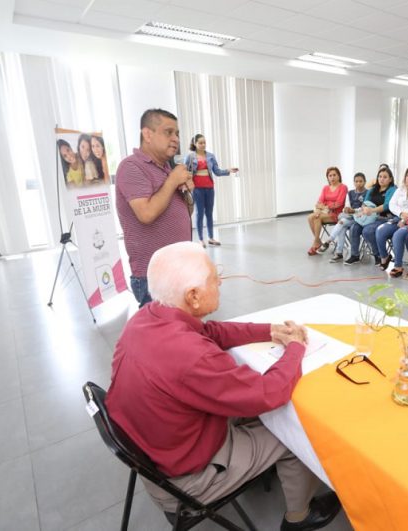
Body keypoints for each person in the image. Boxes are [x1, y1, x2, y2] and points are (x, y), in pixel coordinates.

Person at [106, 242, 341, 530]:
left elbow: (210, 331)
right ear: (193, 296)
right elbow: (269, 392)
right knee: (297, 434)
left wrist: (270, 330)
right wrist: (295, 348)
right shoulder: (193, 356)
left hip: (157, 451)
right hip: (187, 480)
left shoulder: (146, 317)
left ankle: (261, 467)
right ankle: (299, 517)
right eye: (214, 277)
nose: (220, 281)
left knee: (261, 412)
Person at [116, 108, 195, 307]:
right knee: (162, 327)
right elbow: (147, 213)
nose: (176, 139)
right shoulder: (131, 167)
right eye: (168, 132)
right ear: (147, 134)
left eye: (177, 133)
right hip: (154, 276)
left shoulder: (167, 169)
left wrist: (186, 191)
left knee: (182, 325)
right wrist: (172, 181)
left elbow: (186, 212)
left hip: (179, 268)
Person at [183, 134, 239, 247]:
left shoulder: (211, 156)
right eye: (200, 143)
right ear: (195, 143)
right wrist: (185, 185)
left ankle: (211, 238)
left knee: (209, 213)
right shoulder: (190, 157)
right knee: (199, 213)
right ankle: (200, 239)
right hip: (197, 189)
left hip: (209, 188)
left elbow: (217, 172)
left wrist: (228, 170)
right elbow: (185, 172)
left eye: (204, 142)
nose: (203, 145)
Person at [344, 167, 396, 265]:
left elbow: (386, 205)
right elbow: (365, 203)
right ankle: (355, 255)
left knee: (367, 231)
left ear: (390, 179)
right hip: (369, 217)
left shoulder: (392, 189)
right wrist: (361, 211)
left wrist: (372, 210)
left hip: (384, 218)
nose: (381, 179)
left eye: (385, 177)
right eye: (380, 176)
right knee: (354, 227)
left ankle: (379, 255)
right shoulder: (373, 189)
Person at [307, 167, 348, 255]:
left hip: (337, 214)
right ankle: (318, 241)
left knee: (317, 218)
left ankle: (316, 243)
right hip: (325, 212)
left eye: (334, 175)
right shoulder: (325, 188)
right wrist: (319, 209)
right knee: (310, 217)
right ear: (327, 178)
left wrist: (324, 206)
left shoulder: (343, 187)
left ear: (338, 176)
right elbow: (319, 202)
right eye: (330, 176)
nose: (332, 177)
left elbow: (339, 203)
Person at [328, 172, 367, 263]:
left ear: (365, 182)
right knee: (342, 223)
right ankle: (339, 252)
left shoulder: (368, 193)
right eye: (356, 181)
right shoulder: (350, 193)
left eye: (361, 181)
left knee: (342, 222)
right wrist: (346, 209)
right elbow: (346, 206)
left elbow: (364, 209)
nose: (358, 183)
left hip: (361, 218)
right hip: (350, 217)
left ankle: (330, 242)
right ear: (354, 182)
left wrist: (354, 211)